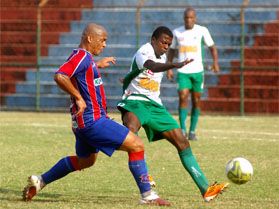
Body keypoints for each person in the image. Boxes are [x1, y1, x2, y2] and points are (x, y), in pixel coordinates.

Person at [22, 23, 170, 206]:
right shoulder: (82, 56)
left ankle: (41, 180)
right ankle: (148, 195)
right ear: (89, 38)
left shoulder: (86, 59)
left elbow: (81, 73)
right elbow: (60, 76)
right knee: (137, 145)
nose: (105, 44)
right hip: (93, 120)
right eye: (103, 40)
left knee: (86, 161)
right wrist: (78, 97)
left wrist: (96, 65)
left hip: (83, 123)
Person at [117, 26, 228, 202]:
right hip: (135, 102)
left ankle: (206, 189)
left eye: (169, 44)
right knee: (131, 132)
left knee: (182, 141)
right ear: (153, 39)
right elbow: (151, 66)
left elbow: (139, 72)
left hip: (155, 106)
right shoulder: (144, 51)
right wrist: (174, 64)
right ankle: (144, 177)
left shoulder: (161, 54)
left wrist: (127, 77)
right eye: (163, 42)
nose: (166, 47)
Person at [167, 7, 220, 140]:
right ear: (183, 18)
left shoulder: (202, 31)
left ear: (195, 18)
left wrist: (215, 63)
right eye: (186, 18)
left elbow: (212, 47)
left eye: (191, 18)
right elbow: (172, 50)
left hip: (197, 72)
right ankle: (183, 130)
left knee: (196, 100)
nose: (189, 20)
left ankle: (192, 131)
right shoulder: (177, 32)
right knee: (183, 96)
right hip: (183, 71)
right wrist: (169, 67)